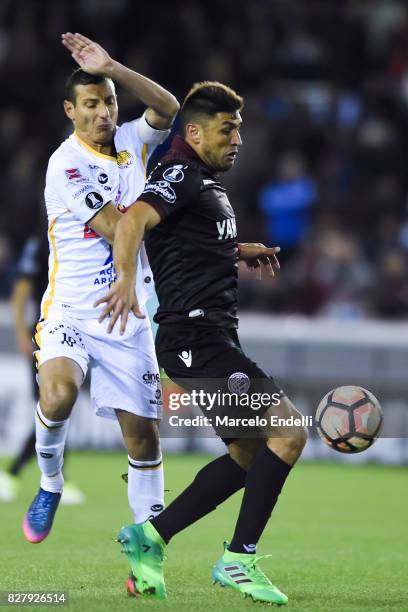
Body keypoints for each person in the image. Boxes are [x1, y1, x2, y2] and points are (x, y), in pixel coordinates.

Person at [98, 82, 308, 604]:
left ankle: (151, 536)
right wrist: (125, 281)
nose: (237, 138)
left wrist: (237, 250)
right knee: (288, 433)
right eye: (226, 129)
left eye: (239, 128)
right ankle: (239, 559)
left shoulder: (203, 183)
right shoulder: (178, 175)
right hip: (196, 337)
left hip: (206, 336)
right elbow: (133, 224)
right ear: (194, 131)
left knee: (246, 454)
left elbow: (183, 241)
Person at [22, 32, 179, 544]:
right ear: (71, 110)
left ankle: (145, 554)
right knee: (60, 393)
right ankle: (49, 484)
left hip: (127, 313)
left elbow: (169, 106)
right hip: (71, 309)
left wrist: (115, 66)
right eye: (91, 104)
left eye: (109, 101)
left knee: (143, 438)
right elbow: (117, 228)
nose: (103, 113)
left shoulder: (134, 140)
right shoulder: (65, 163)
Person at [0, 229, 84, 505]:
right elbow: (21, 290)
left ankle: (20, 474)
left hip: (79, 335)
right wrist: (24, 337)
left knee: (58, 408)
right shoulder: (42, 242)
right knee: (52, 407)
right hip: (46, 334)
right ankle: (28, 475)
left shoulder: (84, 237)